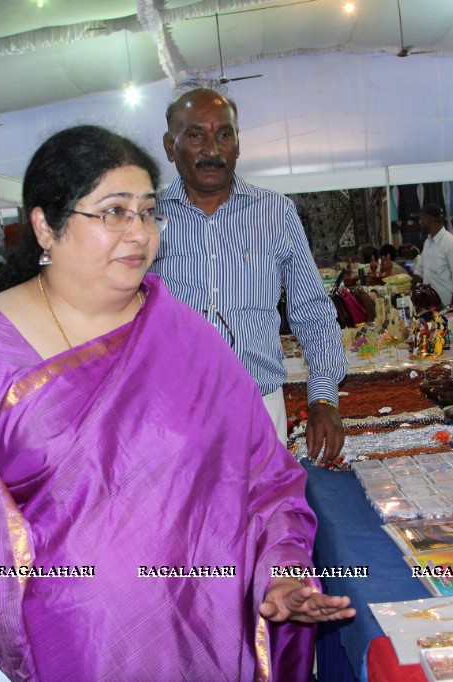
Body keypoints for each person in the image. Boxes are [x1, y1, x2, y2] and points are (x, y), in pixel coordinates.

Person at [0, 125, 354, 682]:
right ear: (45, 226)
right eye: (113, 212)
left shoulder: (186, 338)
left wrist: (281, 573)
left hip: (195, 640)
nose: (139, 233)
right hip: (44, 655)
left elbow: (265, 479)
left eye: (148, 212)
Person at [150, 86, 346, 462]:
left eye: (224, 135)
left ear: (238, 145)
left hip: (259, 409)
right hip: (172, 416)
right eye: (195, 135)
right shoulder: (145, 218)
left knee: (263, 519)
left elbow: (313, 311)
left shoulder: (275, 213)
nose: (212, 150)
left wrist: (323, 396)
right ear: (169, 146)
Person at [411, 203, 453, 307]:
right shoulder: (428, 241)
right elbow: (419, 271)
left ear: (430, 219)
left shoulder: (451, 243)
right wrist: (411, 297)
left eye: (421, 218)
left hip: (445, 306)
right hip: (429, 304)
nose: (419, 222)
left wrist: (451, 310)